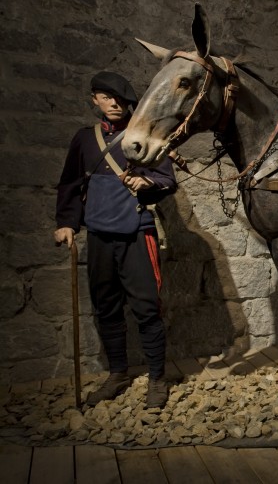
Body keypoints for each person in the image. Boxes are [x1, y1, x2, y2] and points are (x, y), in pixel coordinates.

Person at [54, 71, 177, 408]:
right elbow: (71, 184)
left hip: (137, 232)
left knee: (147, 308)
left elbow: (168, 180)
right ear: (95, 99)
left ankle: (156, 378)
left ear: (130, 102)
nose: (113, 103)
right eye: (106, 97)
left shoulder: (144, 137)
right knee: (106, 307)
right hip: (99, 235)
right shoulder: (84, 139)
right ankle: (118, 373)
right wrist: (67, 223)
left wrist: (147, 183)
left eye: (120, 98)